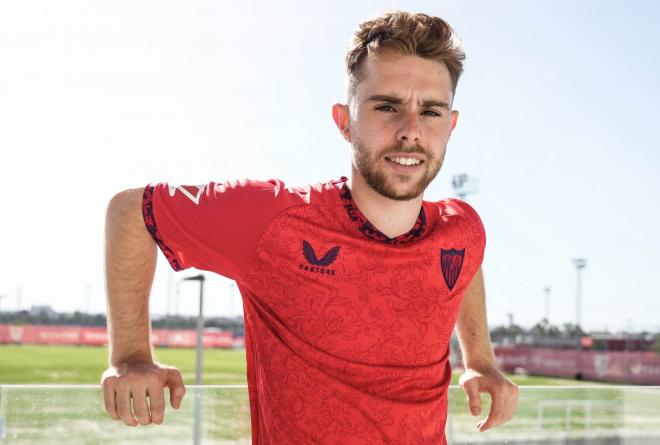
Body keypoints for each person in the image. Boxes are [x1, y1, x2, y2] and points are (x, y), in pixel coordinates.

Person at [101, 10, 518, 444]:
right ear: (344, 121)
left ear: (450, 126)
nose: (410, 131)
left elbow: (464, 261)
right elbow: (132, 211)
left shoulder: (461, 226)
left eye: (430, 111)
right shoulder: (274, 219)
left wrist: (480, 360)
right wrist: (131, 356)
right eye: (387, 107)